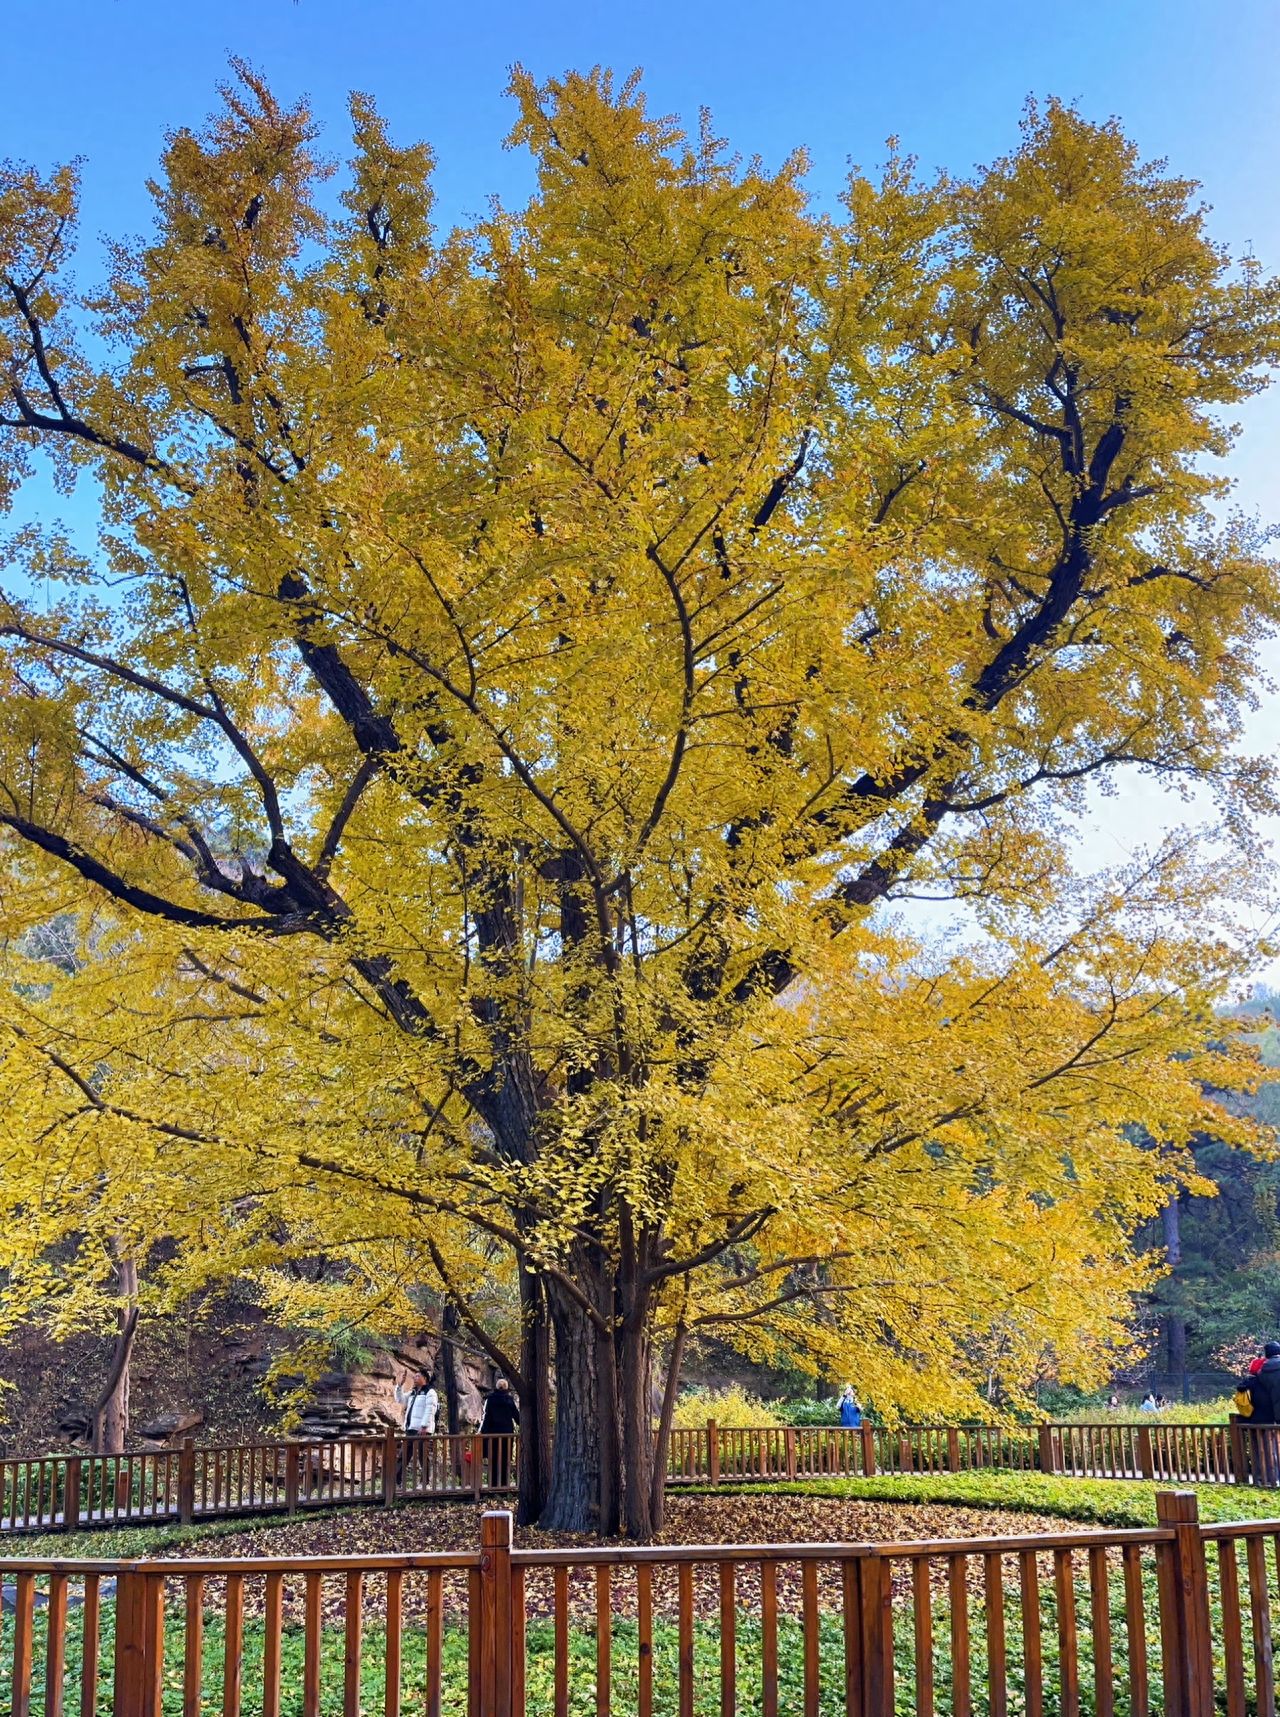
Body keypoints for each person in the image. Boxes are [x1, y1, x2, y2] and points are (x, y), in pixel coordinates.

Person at [393, 1369, 440, 1490]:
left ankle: (425, 1483)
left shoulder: (430, 1392)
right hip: (411, 1429)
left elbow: (430, 1409)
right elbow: (400, 1400)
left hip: (423, 1430)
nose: (414, 1378)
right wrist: (400, 1385)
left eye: (417, 1376)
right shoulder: (413, 1392)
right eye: (414, 1376)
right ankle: (396, 1482)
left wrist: (424, 1426)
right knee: (403, 1456)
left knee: (423, 1456)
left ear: (424, 1378)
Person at [1241, 1342, 1280, 1484]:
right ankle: (1273, 1477)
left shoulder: (1261, 1374)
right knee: (1272, 1447)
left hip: (1261, 1418)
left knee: (1261, 1448)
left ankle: (1262, 1477)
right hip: (1270, 1417)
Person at [479, 1377, 520, 1489]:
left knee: (493, 1459)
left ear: (496, 1387)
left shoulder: (490, 1399)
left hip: (493, 1434)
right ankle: (504, 1483)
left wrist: (483, 1433)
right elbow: (516, 1416)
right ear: (506, 1388)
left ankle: (493, 1484)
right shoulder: (509, 1400)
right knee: (505, 1459)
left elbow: (486, 1418)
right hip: (507, 1434)